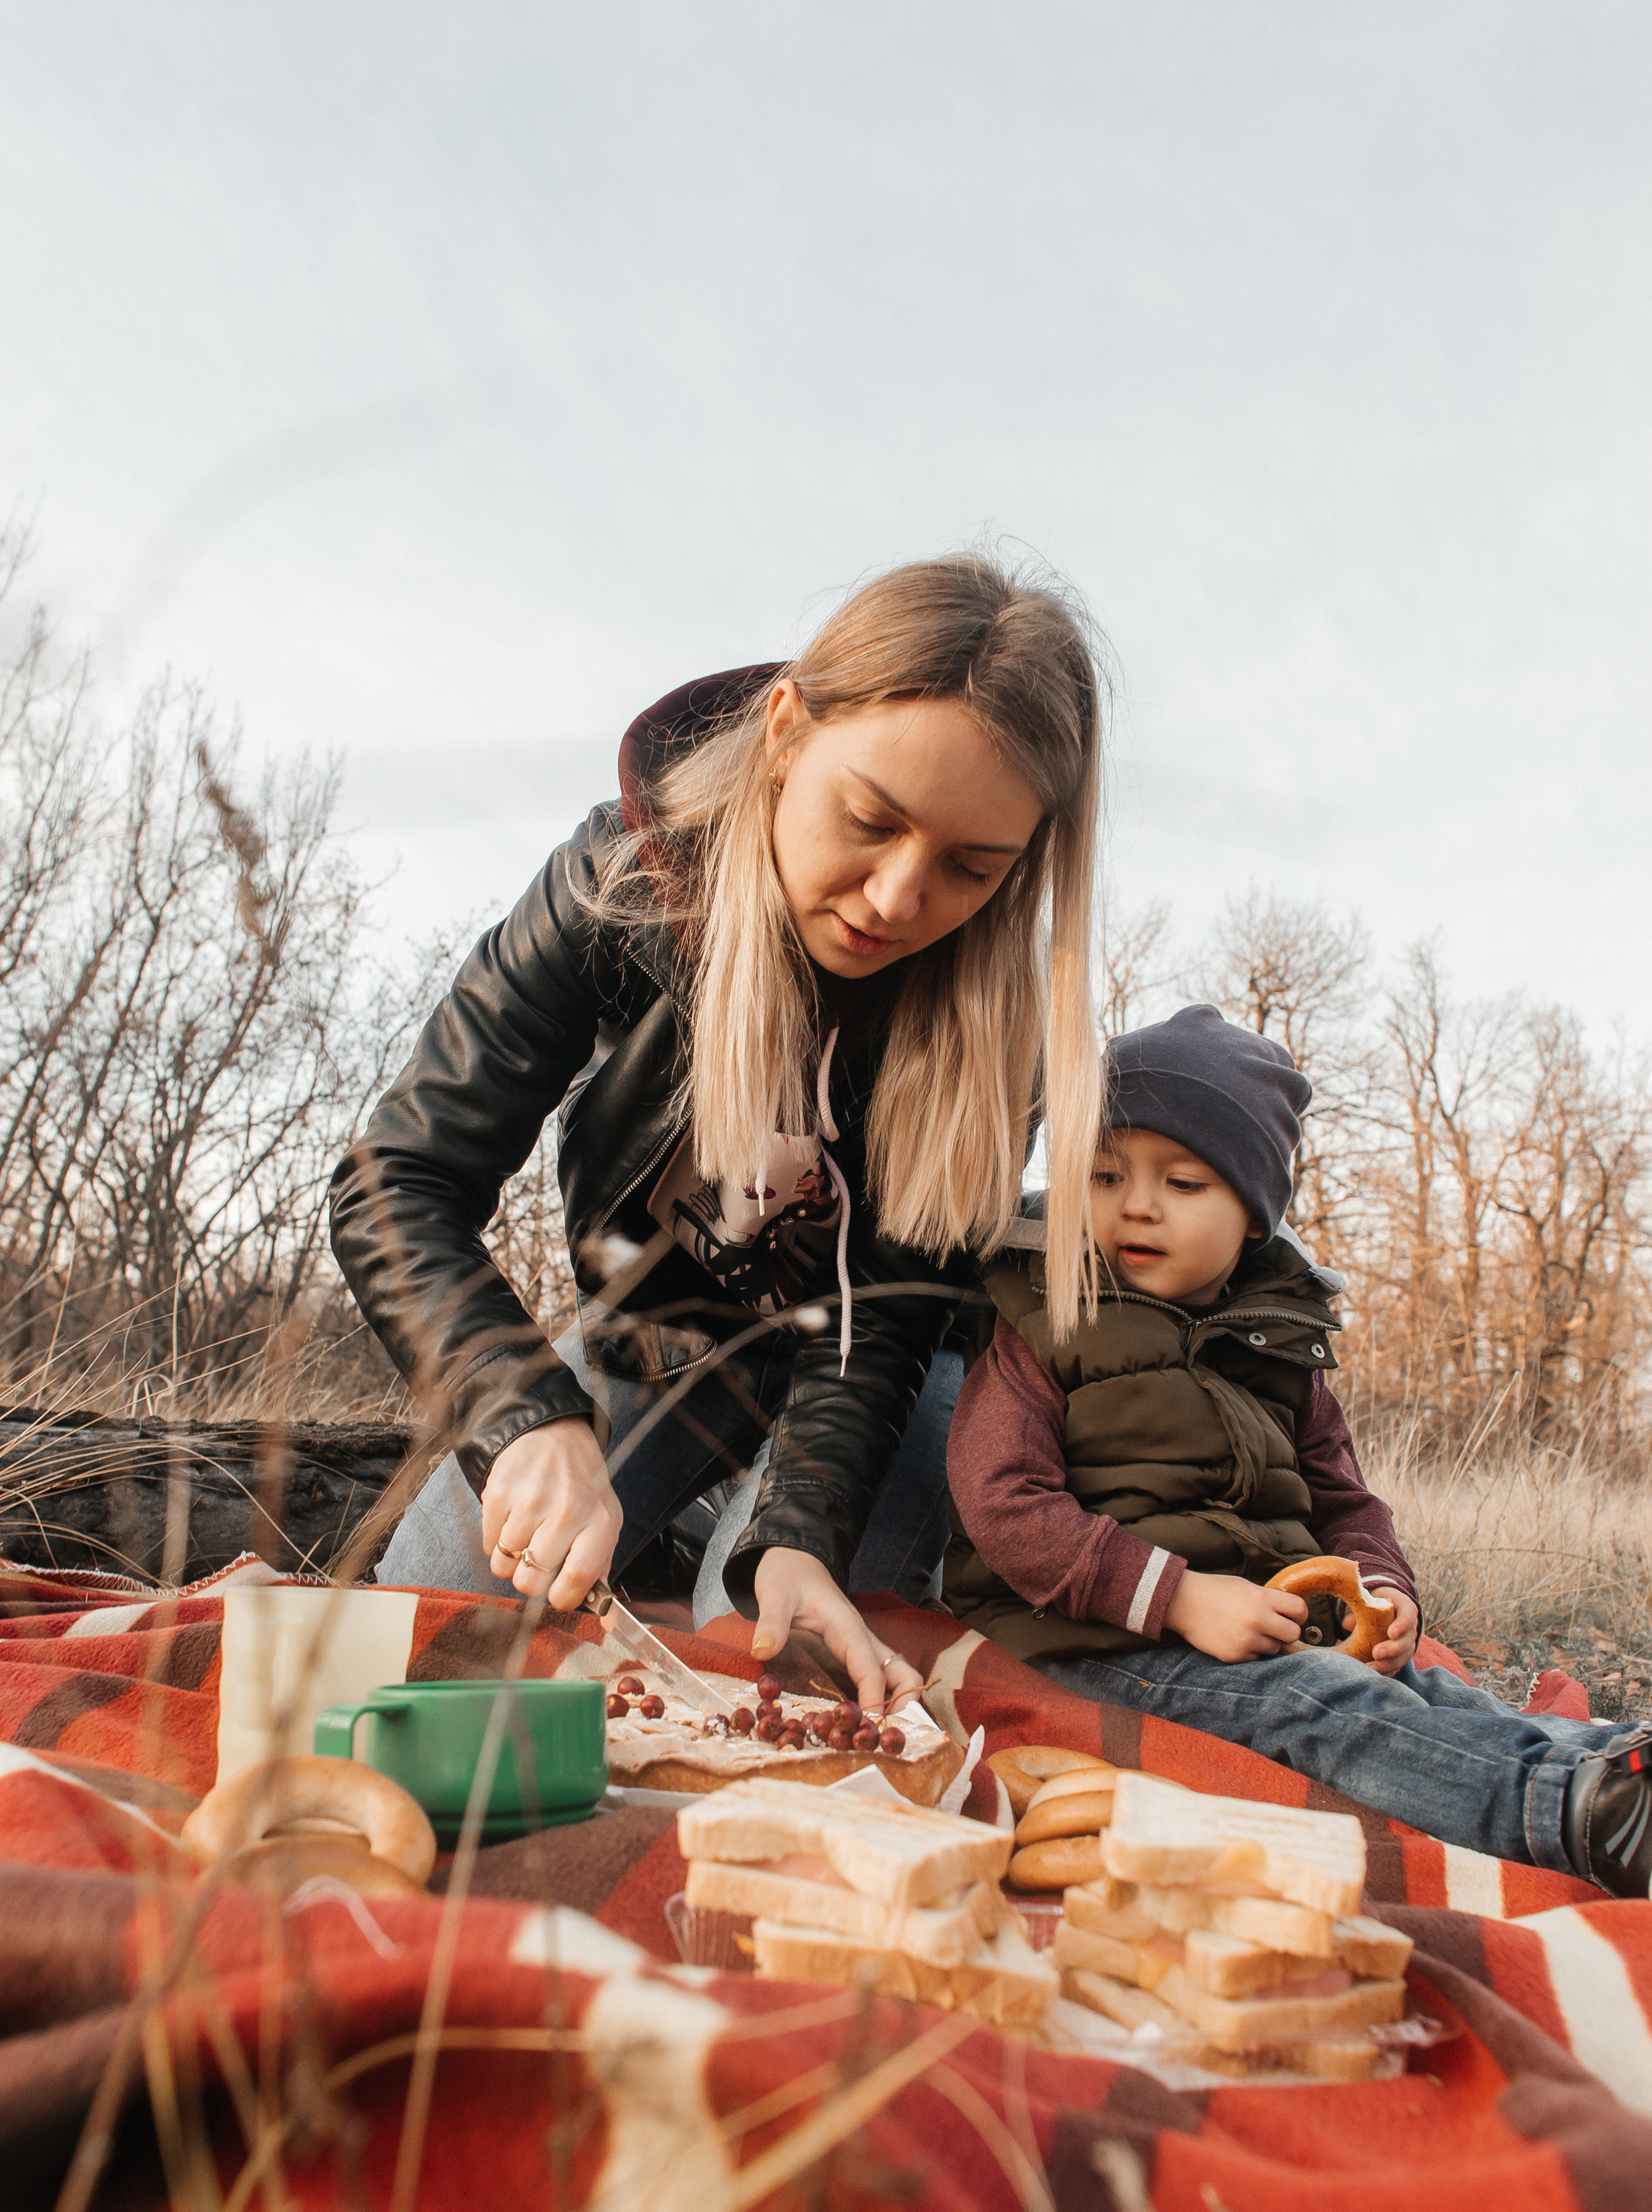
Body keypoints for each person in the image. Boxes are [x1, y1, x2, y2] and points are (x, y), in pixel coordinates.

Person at [330, 554, 1107, 1713]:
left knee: (771, 1674)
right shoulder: (617, 881)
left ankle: (742, 1537)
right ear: (788, 731)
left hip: (876, 1381)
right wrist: (526, 1414)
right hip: (663, 1332)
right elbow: (398, 1180)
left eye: (969, 868)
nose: (899, 899)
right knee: (420, 1647)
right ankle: (678, 1502)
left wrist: (794, 1538)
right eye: (870, 820)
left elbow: (881, 1324)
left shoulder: (997, 1034)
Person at [943, 1004, 1651, 1895]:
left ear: (1253, 1217)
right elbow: (1003, 1503)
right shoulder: (1043, 1317)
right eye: (1106, 1173)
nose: (1138, 1204)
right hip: (1094, 1636)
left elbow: (1344, 1500)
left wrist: (1386, 1589)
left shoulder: (1282, 1341)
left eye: (1185, 1184)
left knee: (1437, 1698)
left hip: (1272, 1621)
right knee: (1317, 1705)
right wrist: (1180, 1598)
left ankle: (1611, 1767)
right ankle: (1570, 1816)